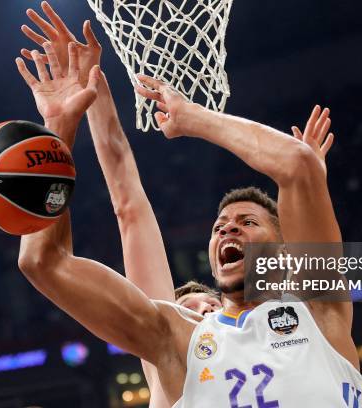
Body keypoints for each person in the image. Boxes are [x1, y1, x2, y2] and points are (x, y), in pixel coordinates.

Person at [15, 2, 362, 406]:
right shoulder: (177, 338)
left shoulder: (319, 312)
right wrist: (58, 128)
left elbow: (298, 165)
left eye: (248, 222)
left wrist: (191, 117)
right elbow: (42, 262)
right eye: (219, 227)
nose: (227, 229)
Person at [17, 3, 220, 407]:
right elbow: (127, 200)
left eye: (211, 303)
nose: (203, 309)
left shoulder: (277, 336)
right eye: (191, 308)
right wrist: (84, 98)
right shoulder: (169, 348)